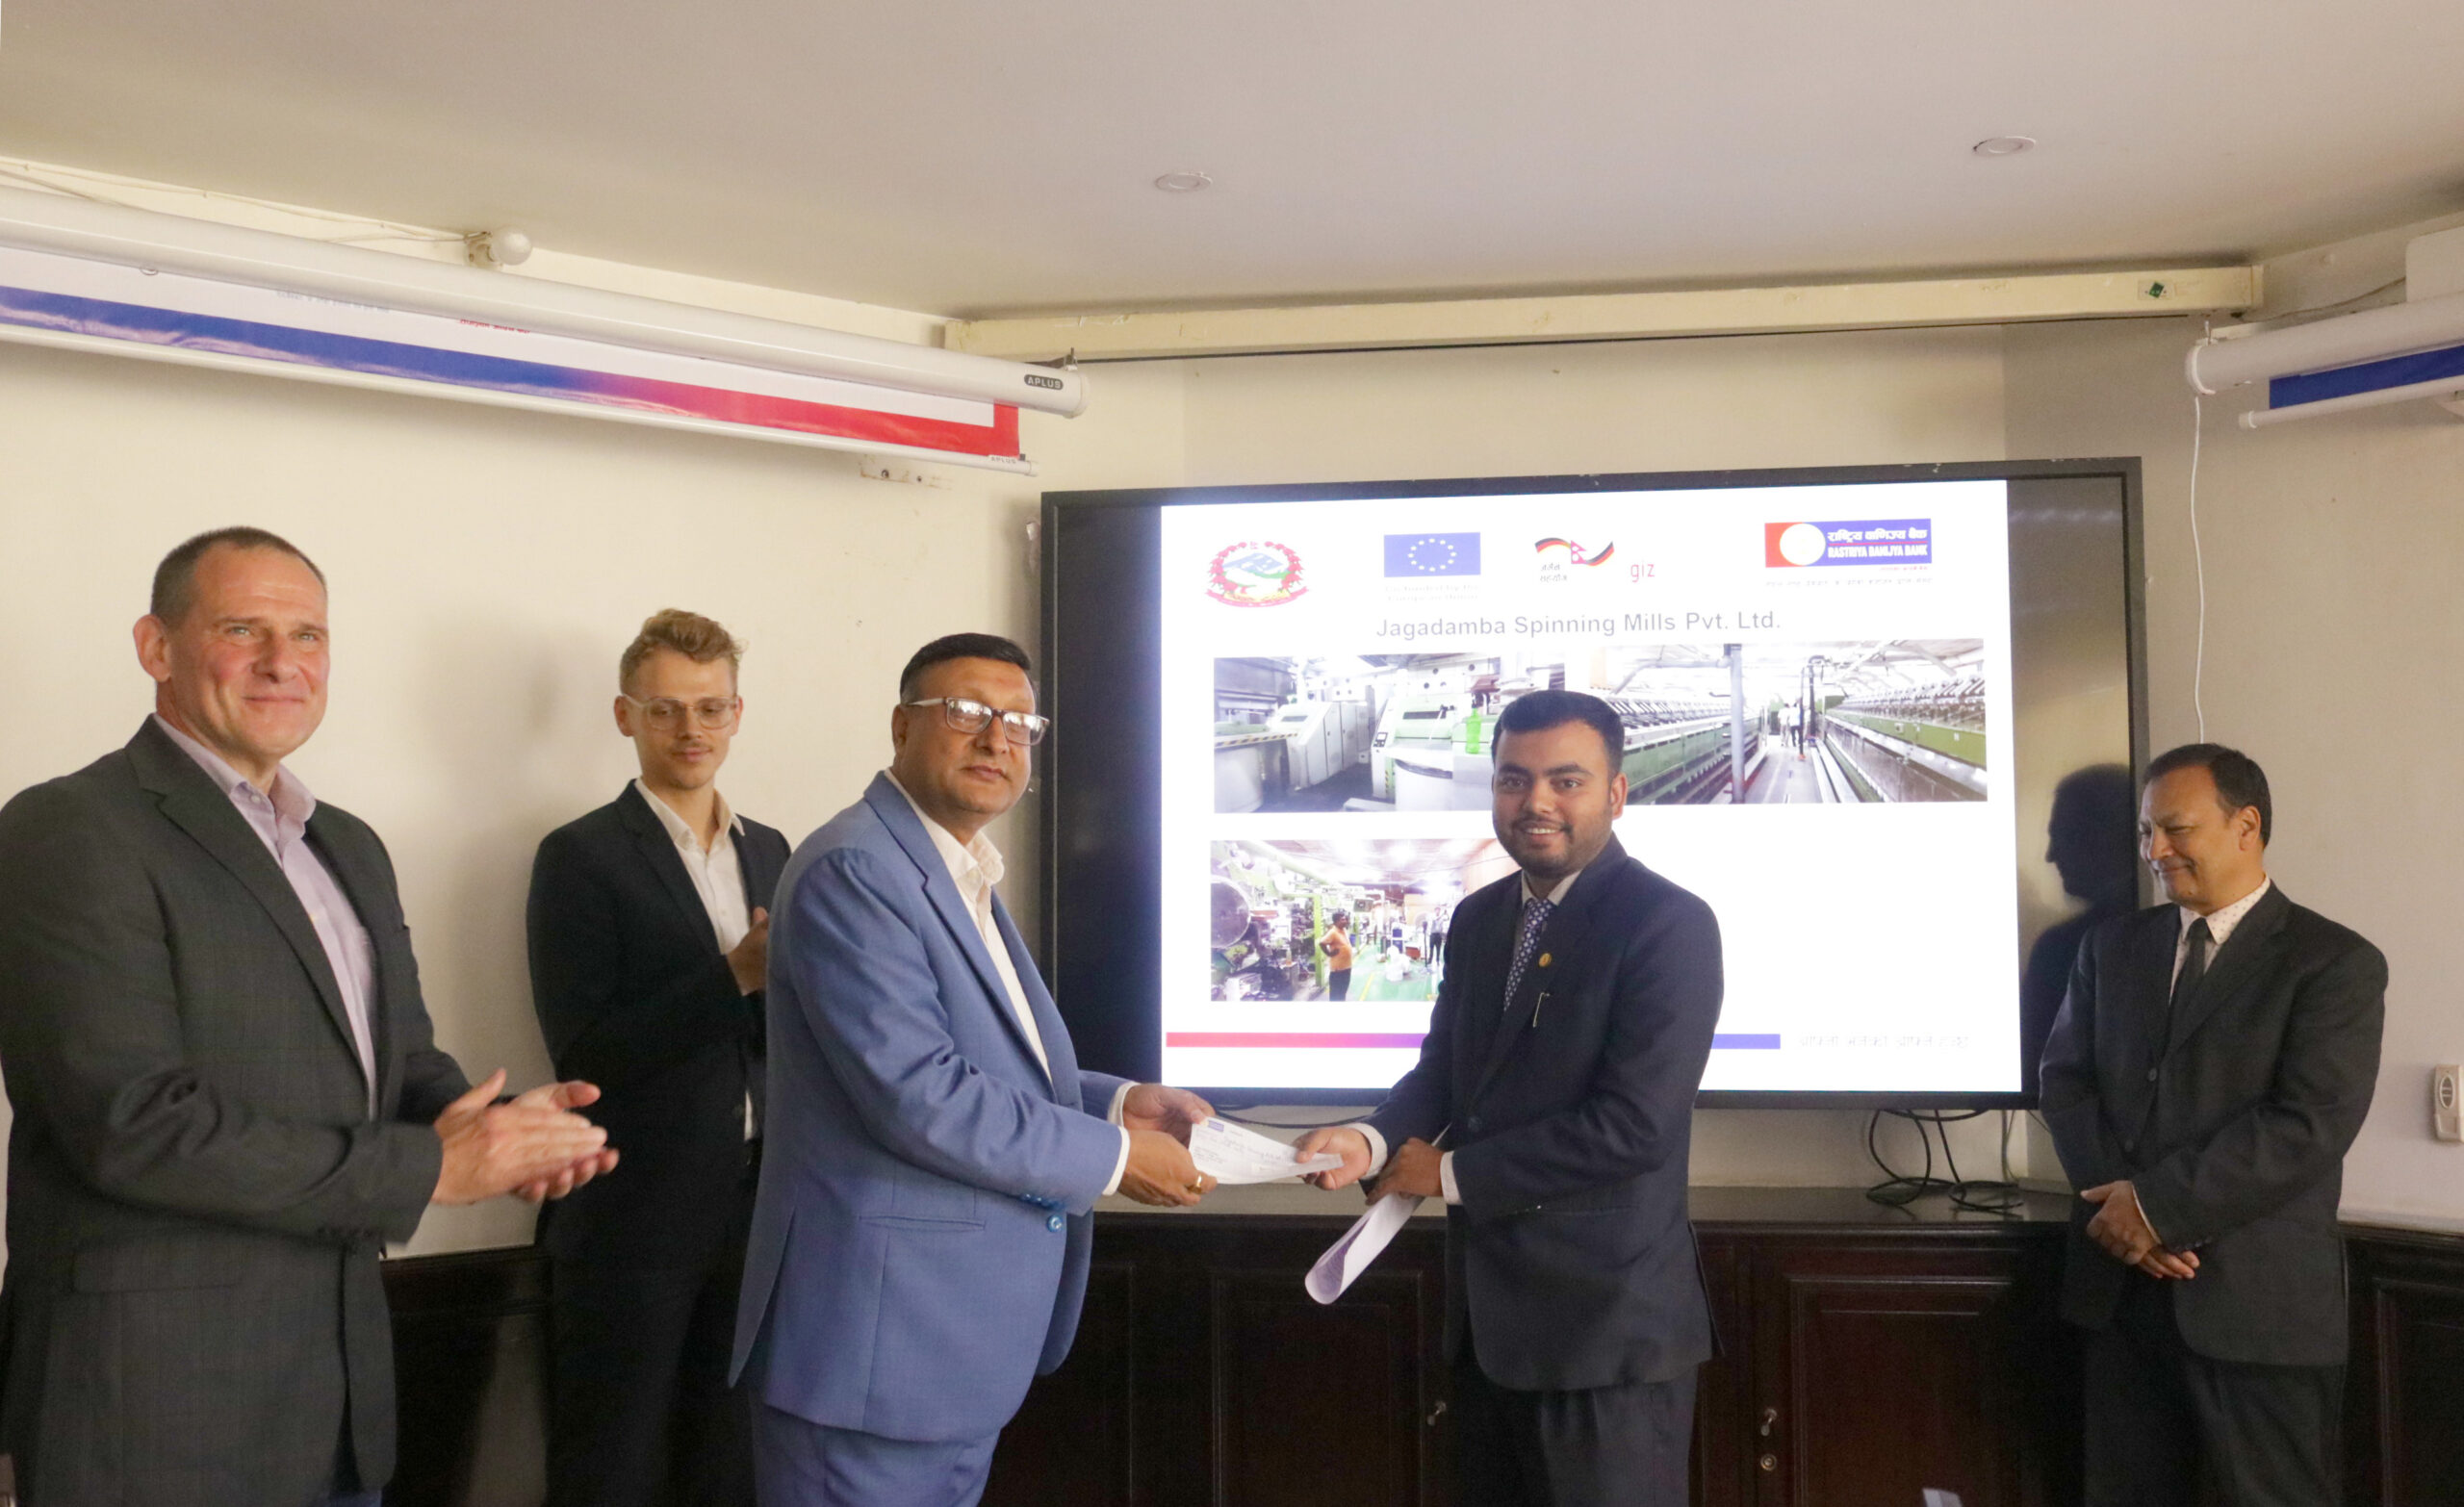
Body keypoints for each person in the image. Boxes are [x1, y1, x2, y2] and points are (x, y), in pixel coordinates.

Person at [0, 526, 616, 1507]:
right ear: (156, 648)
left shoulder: (349, 845)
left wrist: (498, 1131)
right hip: (154, 1412)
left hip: (334, 1401)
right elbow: (133, 1125)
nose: (283, 662)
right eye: (242, 629)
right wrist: (433, 1169)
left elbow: (399, 1059)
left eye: (309, 636)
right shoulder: (71, 828)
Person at [732, 631, 1217, 1506]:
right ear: (900, 726)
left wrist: (1117, 1107)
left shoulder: (950, 867)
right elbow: (918, 1095)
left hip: (940, 1354)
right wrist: (1113, 1161)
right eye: (966, 713)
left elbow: (987, 1063)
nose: (998, 739)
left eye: (1021, 722)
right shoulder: (856, 867)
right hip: (874, 1359)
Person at [1297, 689, 1724, 1507]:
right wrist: (1371, 1140)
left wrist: (1447, 1173)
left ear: (1616, 793)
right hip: (1488, 1331)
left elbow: (1635, 1127)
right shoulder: (1480, 920)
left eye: (1567, 780)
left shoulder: (1668, 924)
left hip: (1603, 1341)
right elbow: (1444, 1073)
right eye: (1514, 779)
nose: (1536, 802)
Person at [2039, 744, 2384, 1507]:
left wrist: (2155, 1209)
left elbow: (2306, 1124)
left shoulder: (2334, 963)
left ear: (2246, 826)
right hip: (2119, 1300)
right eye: (2146, 832)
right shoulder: (2111, 947)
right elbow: (2065, 1083)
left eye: (2176, 829)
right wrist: (2123, 1217)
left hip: (2258, 1314)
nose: (2155, 850)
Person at [527, 610, 790, 1507]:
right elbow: (585, 1053)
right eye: (666, 709)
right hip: (630, 1218)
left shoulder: (773, 850)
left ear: (737, 714)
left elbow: (777, 1038)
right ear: (624, 716)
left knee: (730, 1467)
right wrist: (735, 976)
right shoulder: (579, 856)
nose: (691, 730)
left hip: (755, 1207)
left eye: (710, 708)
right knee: (614, 1469)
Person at [2019, 764, 2138, 1086]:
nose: (2050, 855)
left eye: (2063, 836)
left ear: (2106, 837)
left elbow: (2037, 1070)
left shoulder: (2061, 949)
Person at [1321, 909, 1355, 1001]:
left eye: (1345, 919)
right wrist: (1329, 953)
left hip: (1346, 968)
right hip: (1337, 971)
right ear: (1336, 922)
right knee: (1336, 995)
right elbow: (1322, 943)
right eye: (1342, 919)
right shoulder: (1333, 932)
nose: (1345, 921)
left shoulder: (1343, 930)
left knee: (1342, 992)